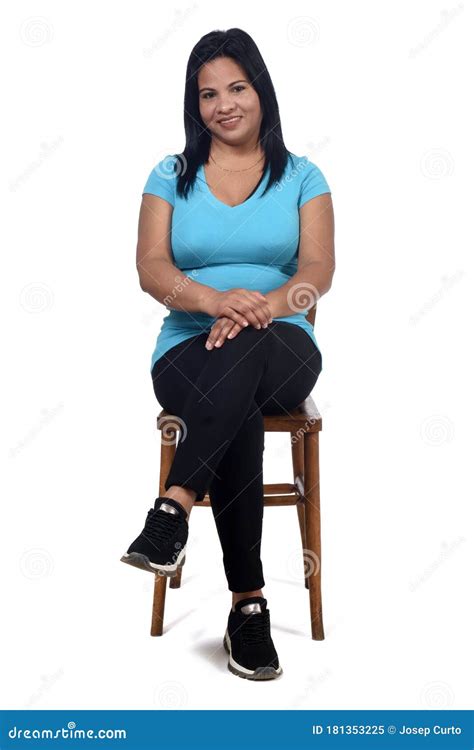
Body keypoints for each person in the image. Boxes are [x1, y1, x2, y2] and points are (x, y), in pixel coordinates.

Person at [121, 27, 335, 681]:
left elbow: (317, 272)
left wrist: (261, 308)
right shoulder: (170, 174)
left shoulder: (303, 175)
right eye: (208, 94)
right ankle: (250, 605)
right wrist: (217, 302)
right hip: (187, 350)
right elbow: (151, 267)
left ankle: (173, 508)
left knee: (242, 360)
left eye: (236, 87)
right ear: (196, 106)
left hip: (285, 348)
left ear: (261, 90)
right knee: (232, 402)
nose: (224, 104)